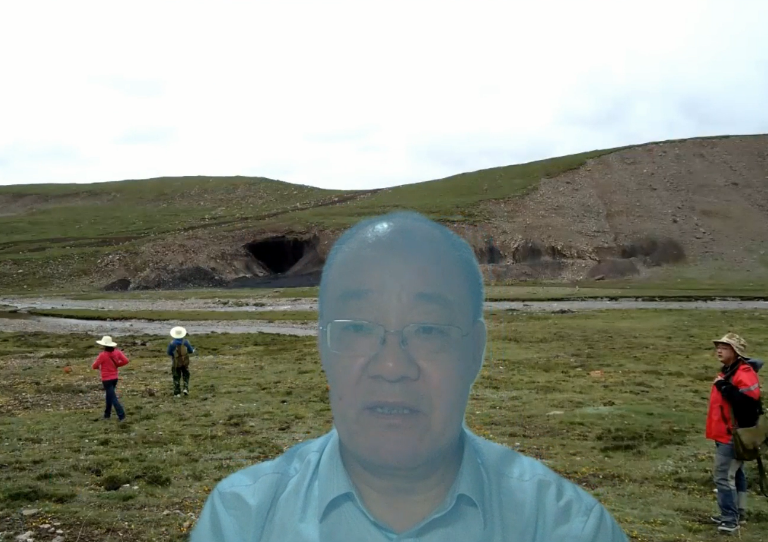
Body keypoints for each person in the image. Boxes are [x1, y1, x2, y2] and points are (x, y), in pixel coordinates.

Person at [190, 211, 628, 541]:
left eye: (429, 330)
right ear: (322, 347)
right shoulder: (241, 519)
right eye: (358, 328)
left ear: (475, 351)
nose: (392, 367)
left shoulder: (565, 526)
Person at [706, 332, 763, 534]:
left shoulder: (743, 372)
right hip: (725, 433)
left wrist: (724, 387)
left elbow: (748, 404)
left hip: (732, 435)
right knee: (735, 474)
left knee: (724, 477)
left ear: (736, 352)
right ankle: (738, 514)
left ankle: (730, 520)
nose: (719, 351)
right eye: (718, 347)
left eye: (725, 347)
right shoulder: (730, 371)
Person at [91, 335, 129, 422]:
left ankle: (121, 416)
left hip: (106, 379)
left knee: (112, 397)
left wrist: (100, 367)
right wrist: (117, 365)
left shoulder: (102, 355)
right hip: (115, 378)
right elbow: (126, 361)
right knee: (109, 396)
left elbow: (94, 366)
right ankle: (107, 414)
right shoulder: (117, 352)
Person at [168, 326, 194, 397]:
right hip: (185, 362)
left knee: (176, 377)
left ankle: (177, 393)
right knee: (186, 375)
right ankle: (185, 388)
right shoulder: (186, 342)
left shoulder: (172, 343)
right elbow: (190, 351)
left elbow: (169, 353)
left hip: (176, 363)